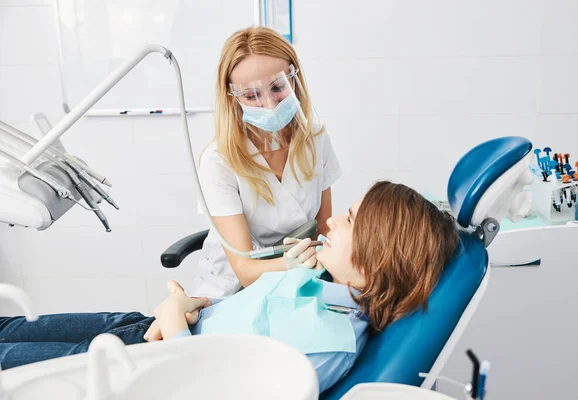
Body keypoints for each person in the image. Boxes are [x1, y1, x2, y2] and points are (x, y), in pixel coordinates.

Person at [0, 181, 459, 393]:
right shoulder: (328, 287)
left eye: (351, 220)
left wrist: (174, 325)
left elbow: (207, 391)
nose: (334, 220)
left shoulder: (325, 346)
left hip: (142, 369)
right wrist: (190, 306)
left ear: (377, 259)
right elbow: (244, 322)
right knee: (10, 327)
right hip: (149, 328)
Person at [192, 25, 342, 298]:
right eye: (251, 95)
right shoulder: (218, 162)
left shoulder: (316, 139)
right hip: (231, 289)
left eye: (278, 87)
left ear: (294, 78)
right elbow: (244, 271)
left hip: (304, 277)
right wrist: (290, 264)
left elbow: (323, 231)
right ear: (233, 98)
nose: (269, 105)